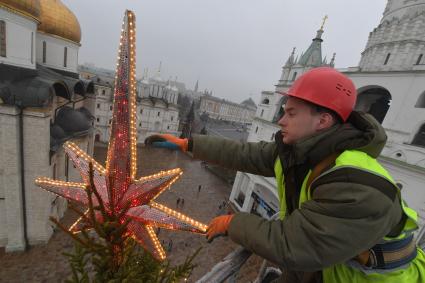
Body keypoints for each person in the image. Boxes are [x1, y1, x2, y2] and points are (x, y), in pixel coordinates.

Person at [145, 67, 425, 283]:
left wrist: (234, 223)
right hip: (330, 267)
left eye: (291, 113)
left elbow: (295, 245)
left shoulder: (354, 181)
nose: (281, 120)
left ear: (323, 121)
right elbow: (246, 154)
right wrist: (189, 144)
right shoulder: (302, 152)